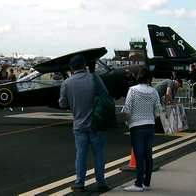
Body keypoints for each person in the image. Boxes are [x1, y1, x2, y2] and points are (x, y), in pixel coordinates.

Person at [58, 55, 109, 192]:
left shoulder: (67, 83)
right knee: (98, 154)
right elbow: (105, 95)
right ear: (84, 65)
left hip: (79, 125)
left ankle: (80, 183)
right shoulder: (94, 78)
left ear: (72, 68)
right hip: (96, 123)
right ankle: (101, 183)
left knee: (80, 155)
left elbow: (62, 104)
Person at [121, 69, 162, 192]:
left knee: (139, 155)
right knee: (148, 155)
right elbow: (158, 111)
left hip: (136, 126)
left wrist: (127, 121)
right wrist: (150, 117)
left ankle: (138, 184)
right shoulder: (154, 91)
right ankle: (146, 182)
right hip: (150, 125)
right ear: (149, 79)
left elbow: (127, 109)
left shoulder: (132, 90)